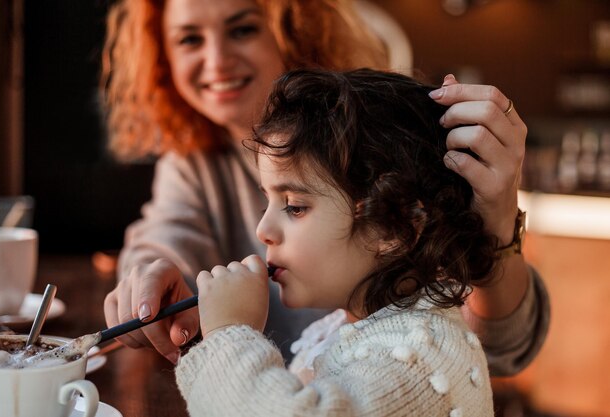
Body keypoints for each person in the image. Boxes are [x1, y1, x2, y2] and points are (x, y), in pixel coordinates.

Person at [102, 0, 549, 372]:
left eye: (242, 30)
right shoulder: (193, 160)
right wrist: (148, 277)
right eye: (190, 39)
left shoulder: (375, 146)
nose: (216, 60)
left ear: (294, 29)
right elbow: (164, 238)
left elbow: (504, 350)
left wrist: (496, 222)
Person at [175, 67, 497, 416]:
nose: (263, 230)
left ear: (393, 227)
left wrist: (230, 335)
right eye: (266, 201)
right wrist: (207, 336)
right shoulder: (346, 325)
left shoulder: (420, 361)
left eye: (295, 207)